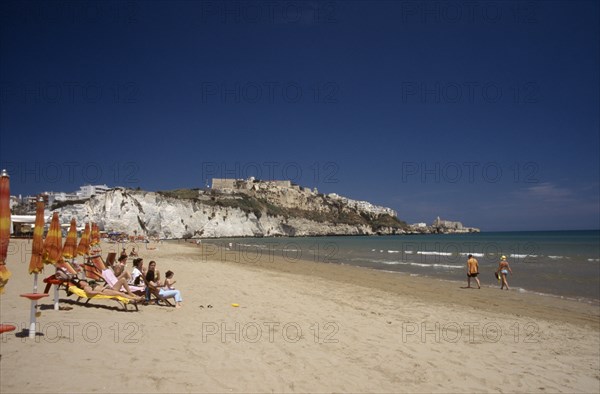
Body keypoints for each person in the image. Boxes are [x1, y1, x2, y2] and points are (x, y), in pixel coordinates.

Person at [72, 278, 143, 302]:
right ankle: (135, 298)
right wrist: (99, 292)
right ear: (81, 285)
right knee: (121, 294)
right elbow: (89, 292)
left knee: (123, 280)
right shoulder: (86, 287)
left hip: (107, 289)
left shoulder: (89, 284)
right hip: (105, 291)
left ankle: (130, 293)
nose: (84, 281)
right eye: (82, 282)